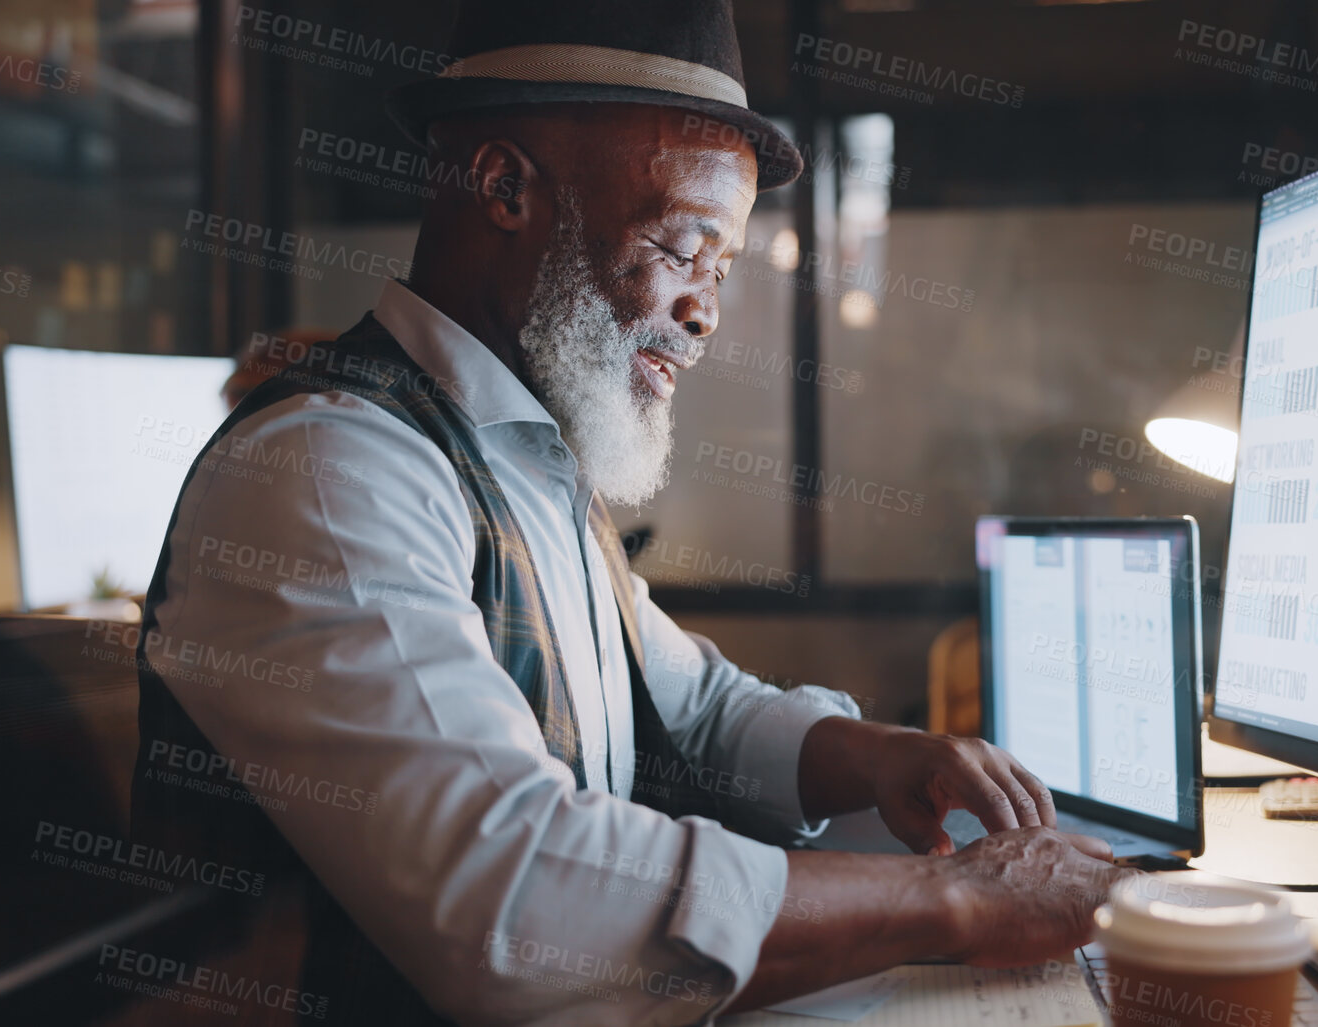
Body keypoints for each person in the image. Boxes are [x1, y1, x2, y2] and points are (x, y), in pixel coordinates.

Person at [134, 3, 1125, 1023]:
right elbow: (512, 895)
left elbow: (693, 711)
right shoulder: (333, 470)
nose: (706, 310)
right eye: (683, 244)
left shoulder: (523, 459)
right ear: (504, 186)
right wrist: (956, 897)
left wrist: (878, 755)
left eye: (722, 267)